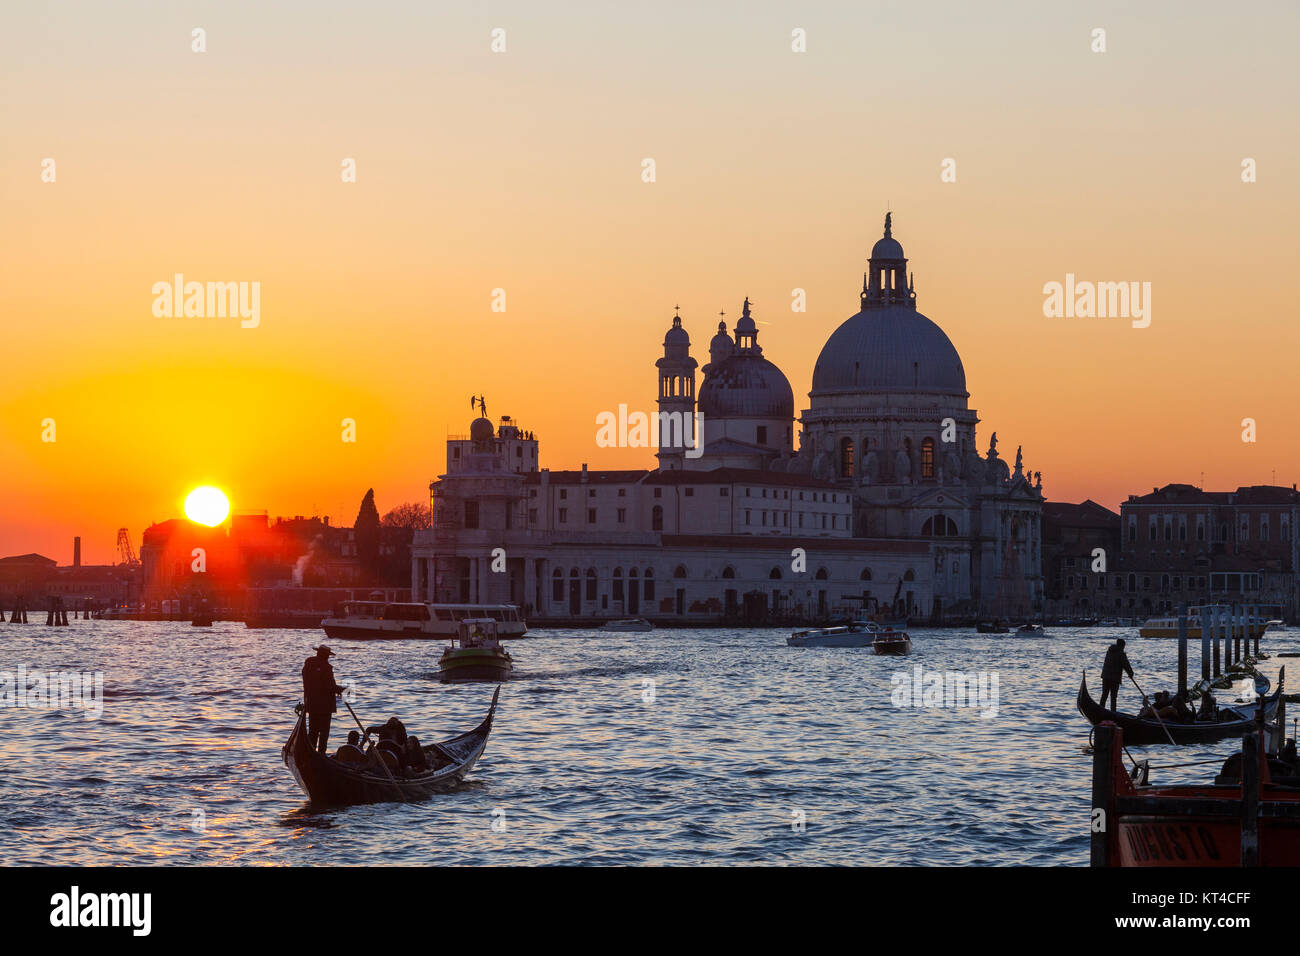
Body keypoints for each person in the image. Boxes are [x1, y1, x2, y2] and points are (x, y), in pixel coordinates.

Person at [302, 645, 345, 754]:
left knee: (313, 731)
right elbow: (330, 686)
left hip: (311, 703)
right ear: (326, 656)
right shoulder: (327, 667)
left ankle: (310, 752)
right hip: (325, 706)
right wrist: (343, 690)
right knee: (324, 732)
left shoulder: (308, 665)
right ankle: (321, 754)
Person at [1100, 638, 1134, 711]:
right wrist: (1130, 673)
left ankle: (1101, 709)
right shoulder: (1121, 654)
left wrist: (1130, 673)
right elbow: (1126, 665)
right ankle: (1113, 712)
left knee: (1104, 695)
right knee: (1113, 697)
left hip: (1105, 677)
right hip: (1114, 678)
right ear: (1122, 646)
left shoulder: (1109, 651)